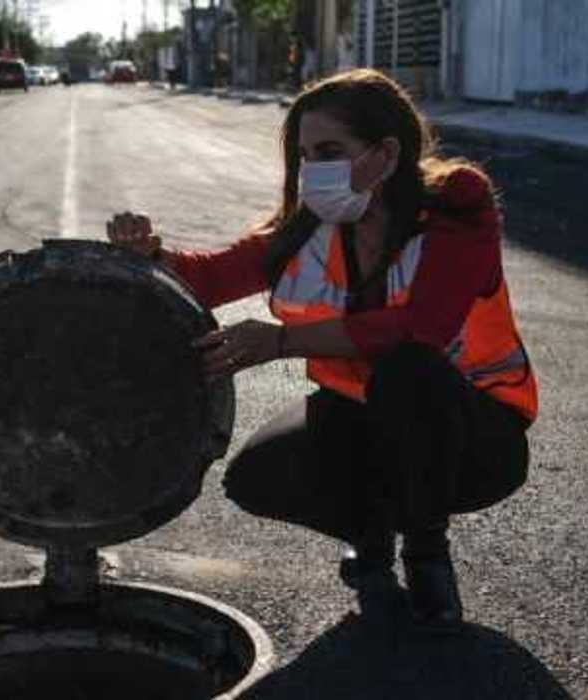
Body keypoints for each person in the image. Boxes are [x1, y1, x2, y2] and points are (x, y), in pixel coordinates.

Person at [107, 68, 536, 626]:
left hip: (476, 436)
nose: (314, 169)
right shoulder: (314, 225)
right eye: (306, 154)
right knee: (257, 478)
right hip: (362, 415)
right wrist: (149, 255)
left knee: (410, 371)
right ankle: (372, 539)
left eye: (330, 150)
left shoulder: (458, 208)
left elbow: (421, 329)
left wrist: (280, 340)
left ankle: (427, 555)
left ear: (385, 153)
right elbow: (212, 277)